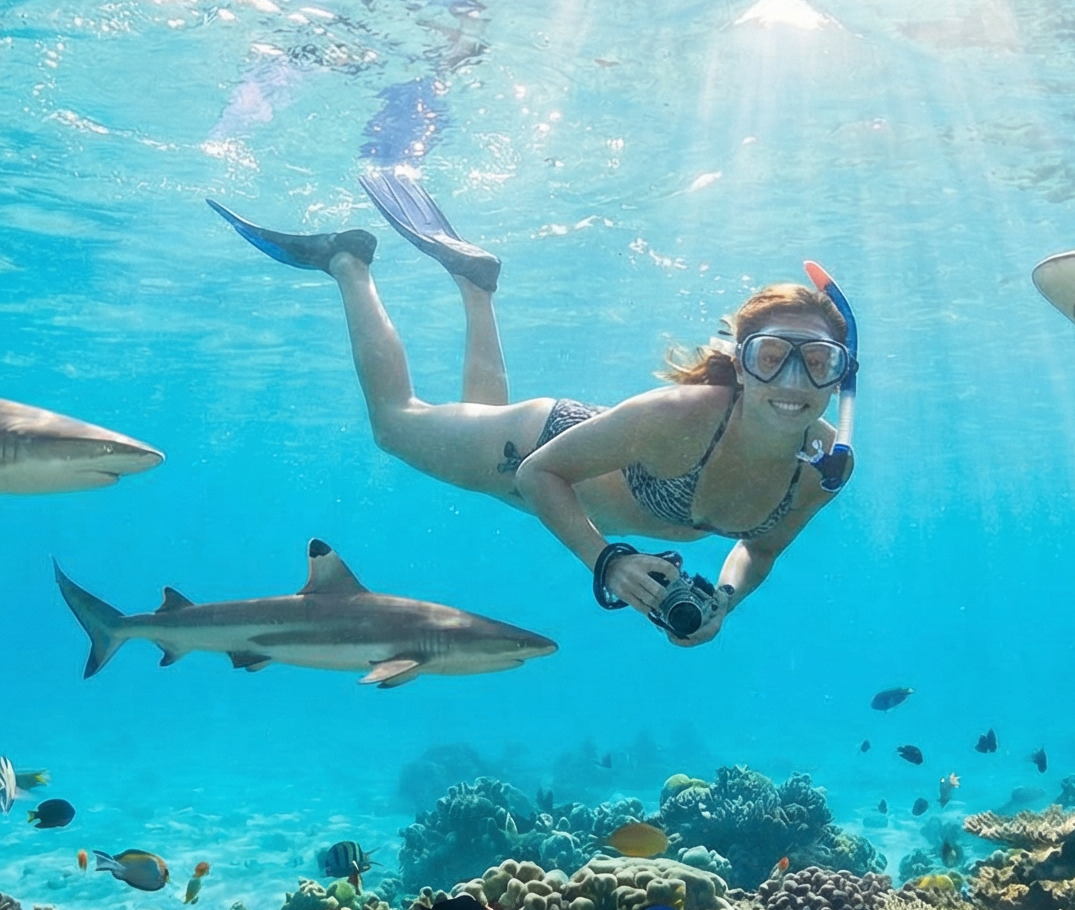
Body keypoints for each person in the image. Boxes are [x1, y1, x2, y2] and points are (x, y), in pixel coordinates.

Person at [208, 170, 854, 646]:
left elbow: (761, 550)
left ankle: (475, 284)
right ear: (741, 365)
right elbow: (535, 474)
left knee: (474, 413)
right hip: (540, 449)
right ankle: (348, 261)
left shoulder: (824, 465)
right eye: (772, 356)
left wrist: (724, 600)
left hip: (570, 472)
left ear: (841, 375)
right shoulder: (685, 416)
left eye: (819, 361)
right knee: (395, 424)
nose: (792, 381)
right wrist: (609, 562)